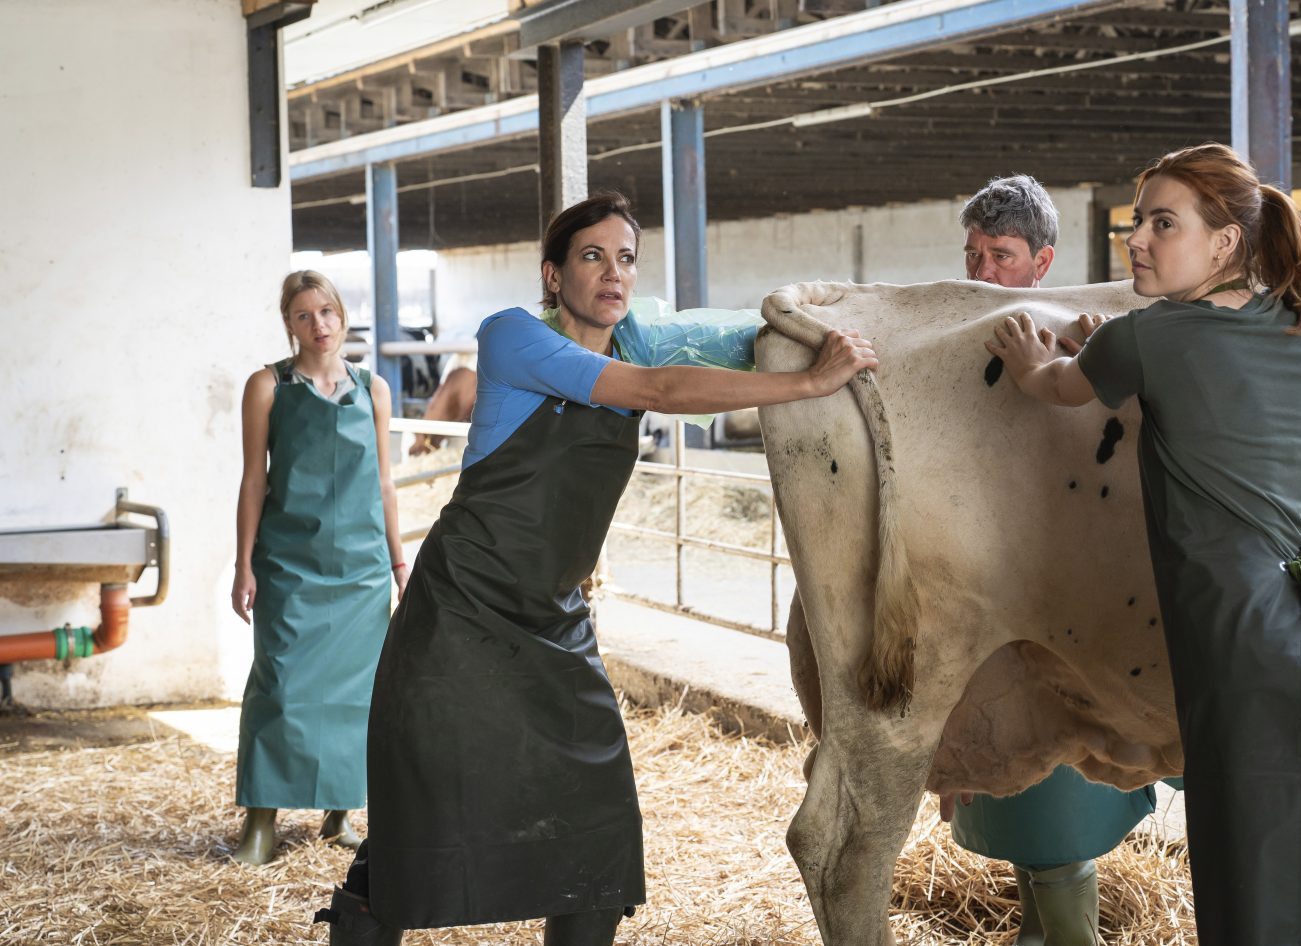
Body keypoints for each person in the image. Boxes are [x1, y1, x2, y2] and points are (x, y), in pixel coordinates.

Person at [314, 191, 877, 946]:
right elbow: (658, 392)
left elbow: (740, 333)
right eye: (591, 256)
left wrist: (837, 330)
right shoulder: (513, 336)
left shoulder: (637, 344)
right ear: (553, 276)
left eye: (626, 258)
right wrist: (809, 383)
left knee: (599, 829)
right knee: (421, 827)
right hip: (460, 618)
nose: (613, 273)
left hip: (553, 623)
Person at [984, 143, 1301, 945]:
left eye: (1165, 224)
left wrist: (1032, 360)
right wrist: (1110, 347)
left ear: (1224, 243)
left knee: (1255, 926)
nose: (1138, 240)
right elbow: (1197, 388)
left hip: (1260, 677)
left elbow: (1056, 388)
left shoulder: (1149, 339)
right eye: (1137, 223)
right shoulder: (1297, 330)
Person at [784, 174, 1159, 946]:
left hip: (1073, 626)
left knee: (1059, 839)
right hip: (992, 631)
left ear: (1043, 260)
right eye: (973, 253)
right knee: (1028, 828)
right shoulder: (952, 357)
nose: (982, 272)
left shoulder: (1074, 335)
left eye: (1001, 255)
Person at [230, 270, 408, 866]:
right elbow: (253, 481)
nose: (319, 325)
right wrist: (243, 564)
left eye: (327, 311)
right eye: (304, 315)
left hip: (360, 571)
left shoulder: (373, 389)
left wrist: (399, 559)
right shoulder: (267, 386)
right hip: (288, 563)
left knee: (356, 694)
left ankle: (339, 815)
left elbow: (384, 482)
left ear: (342, 315)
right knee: (280, 686)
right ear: (289, 323)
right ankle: (261, 820)